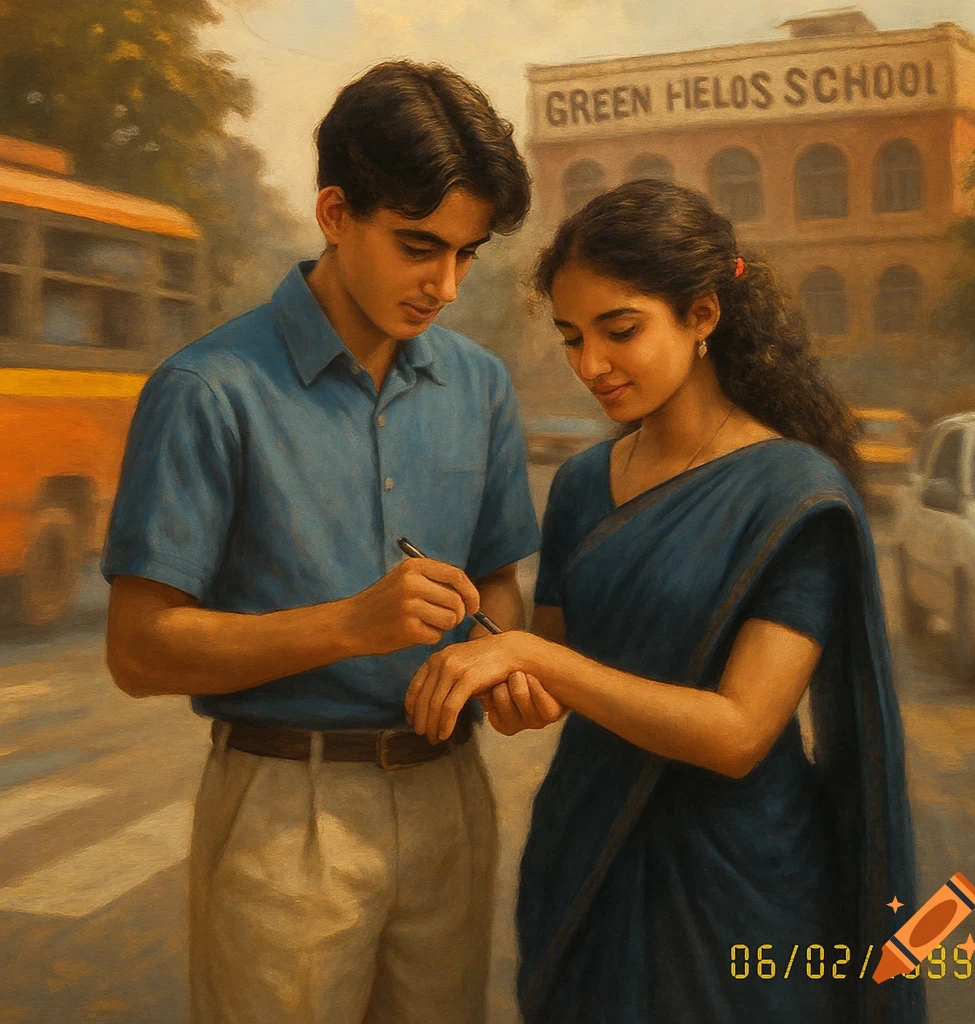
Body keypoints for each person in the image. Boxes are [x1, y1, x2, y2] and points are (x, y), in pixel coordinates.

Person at [405, 180, 927, 1023]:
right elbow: (538, 699)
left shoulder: (794, 493)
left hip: (740, 883)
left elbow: (737, 735)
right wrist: (498, 669)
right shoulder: (581, 485)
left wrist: (534, 658)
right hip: (587, 858)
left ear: (704, 315)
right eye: (572, 339)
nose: (591, 366)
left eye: (620, 331)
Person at [102, 61, 540, 1024]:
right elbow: (136, 652)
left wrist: (489, 661)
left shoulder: (481, 387)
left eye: (469, 255)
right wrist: (352, 624)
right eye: (419, 246)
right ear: (335, 213)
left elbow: (502, 588)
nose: (446, 286)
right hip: (280, 808)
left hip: (450, 800)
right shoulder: (207, 388)